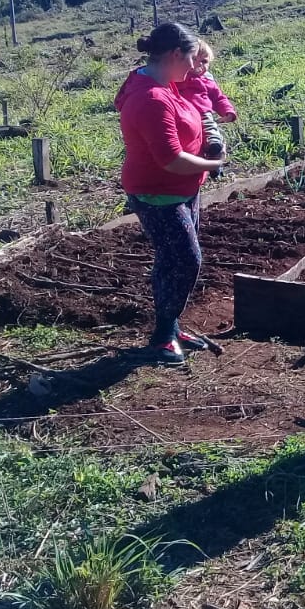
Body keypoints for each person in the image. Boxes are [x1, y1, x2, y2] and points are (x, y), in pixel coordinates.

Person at [115, 23, 225, 364]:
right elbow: (171, 160)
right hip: (157, 193)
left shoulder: (165, 83)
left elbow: (197, 116)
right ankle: (162, 336)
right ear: (175, 54)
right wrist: (212, 164)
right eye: (191, 59)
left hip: (182, 189)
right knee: (186, 260)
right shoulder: (151, 98)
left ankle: (171, 327)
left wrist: (211, 139)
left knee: (171, 258)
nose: (195, 68)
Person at [176, 40, 237, 176]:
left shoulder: (207, 79)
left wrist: (228, 112)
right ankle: (201, 162)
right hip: (184, 115)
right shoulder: (180, 77)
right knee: (190, 142)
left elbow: (218, 97)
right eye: (195, 60)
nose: (200, 65)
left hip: (203, 114)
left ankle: (214, 155)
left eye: (205, 62)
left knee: (211, 132)